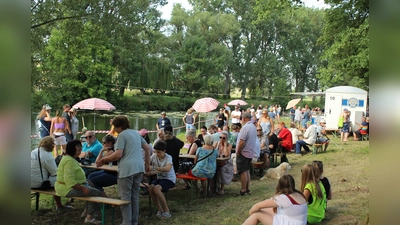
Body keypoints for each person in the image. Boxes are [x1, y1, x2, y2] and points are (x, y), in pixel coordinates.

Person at [95, 115, 151, 225]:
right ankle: (134, 221)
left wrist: (103, 159)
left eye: (115, 127)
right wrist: (147, 164)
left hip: (127, 170)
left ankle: (126, 222)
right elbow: (147, 148)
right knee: (134, 195)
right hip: (139, 168)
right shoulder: (136, 133)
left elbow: (118, 154)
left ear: (119, 126)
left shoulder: (122, 136)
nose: (114, 129)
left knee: (125, 197)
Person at [55, 140, 104, 224]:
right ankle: (90, 217)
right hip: (66, 189)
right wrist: (82, 188)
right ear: (72, 148)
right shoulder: (69, 161)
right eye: (78, 146)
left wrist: (87, 181)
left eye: (80, 146)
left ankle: (86, 212)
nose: (81, 148)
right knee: (96, 192)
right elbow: (69, 181)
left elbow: (76, 176)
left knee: (91, 188)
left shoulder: (71, 159)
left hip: (68, 187)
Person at [242, 174, 308, 225]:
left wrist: (251, 213)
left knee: (256, 214)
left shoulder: (284, 198)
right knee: (264, 210)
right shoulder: (299, 194)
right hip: (296, 221)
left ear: (280, 185)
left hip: (289, 222)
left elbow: (257, 206)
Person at [31, 136, 72, 211]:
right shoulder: (47, 155)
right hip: (40, 184)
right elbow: (55, 172)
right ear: (51, 145)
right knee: (60, 179)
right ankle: (59, 205)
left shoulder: (33, 152)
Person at [148, 141, 176, 219]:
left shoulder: (168, 157)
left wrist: (154, 168)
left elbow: (168, 168)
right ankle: (159, 209)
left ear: (164, 151)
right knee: (150, 188)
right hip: (160, 178)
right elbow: (147, 163)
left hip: (169, 179)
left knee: (157, 189)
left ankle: (167, 211)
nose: (157, 154)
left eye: (159, 152)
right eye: (155, 152)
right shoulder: (154, 156)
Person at [235, 112, 256, 196]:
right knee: (247, 170)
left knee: (243, 171)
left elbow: (241, 141)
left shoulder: (245, 127)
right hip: (250, 152)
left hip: (244, 152)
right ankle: (247, 189)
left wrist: (238, 151)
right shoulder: (253, 127)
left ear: (243, 118)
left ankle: (243, 189)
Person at [213, 131, 234, 195]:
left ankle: (222, 188)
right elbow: (212, 152)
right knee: (212, 168)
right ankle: (213, 187)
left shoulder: (229, 145)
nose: (221, 139)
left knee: (222, 169)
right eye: (220, 137)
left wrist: (225, 146)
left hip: (226, 163)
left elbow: (226, 155)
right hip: (217, 162)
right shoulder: (216, 143)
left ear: (227, 138)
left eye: (223, 138)